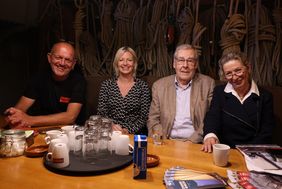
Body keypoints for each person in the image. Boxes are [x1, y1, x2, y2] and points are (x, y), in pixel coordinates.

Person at [202, 51, 275, 152]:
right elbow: (213, 117)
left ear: (248, 68)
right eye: (229, 74)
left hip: (254, 151)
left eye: (238, 70)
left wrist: (249, 151)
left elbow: (266, 131)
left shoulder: (264, 96)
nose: (235, 77)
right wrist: (210, 135)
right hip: (226, 149)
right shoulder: (219, 92)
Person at [4, 41, 86, 128]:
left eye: (68, 60)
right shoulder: (38, 78)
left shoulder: (79, 81)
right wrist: (14, 116)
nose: (62, 63)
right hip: (41, 130)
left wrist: (29, 120)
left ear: (73, 64)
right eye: (58, 57)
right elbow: (18, 111)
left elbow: (70, 117)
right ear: (49, 58)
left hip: (67, 132)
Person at [147, 44, 215, 143]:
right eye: (181, 60)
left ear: (196, 64)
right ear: (174, 64)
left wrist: (191, 142)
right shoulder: (159, 86)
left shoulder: (207, 84)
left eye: (190, 61)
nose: (185, 65)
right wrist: (163, 140)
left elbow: (210, 120)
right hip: (166, 142)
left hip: (196, 144)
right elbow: (153, 119)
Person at [97, 46, 151, 134]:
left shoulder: (142, 86)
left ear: (134, 63)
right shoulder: (106, 85)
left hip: (134, 134)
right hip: (110, 133)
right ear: (116, 63)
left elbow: (144, 117)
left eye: (129, 60)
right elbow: (101, 113)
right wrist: (111, 126)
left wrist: (127, 130)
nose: (125, 63)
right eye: (121, 60)